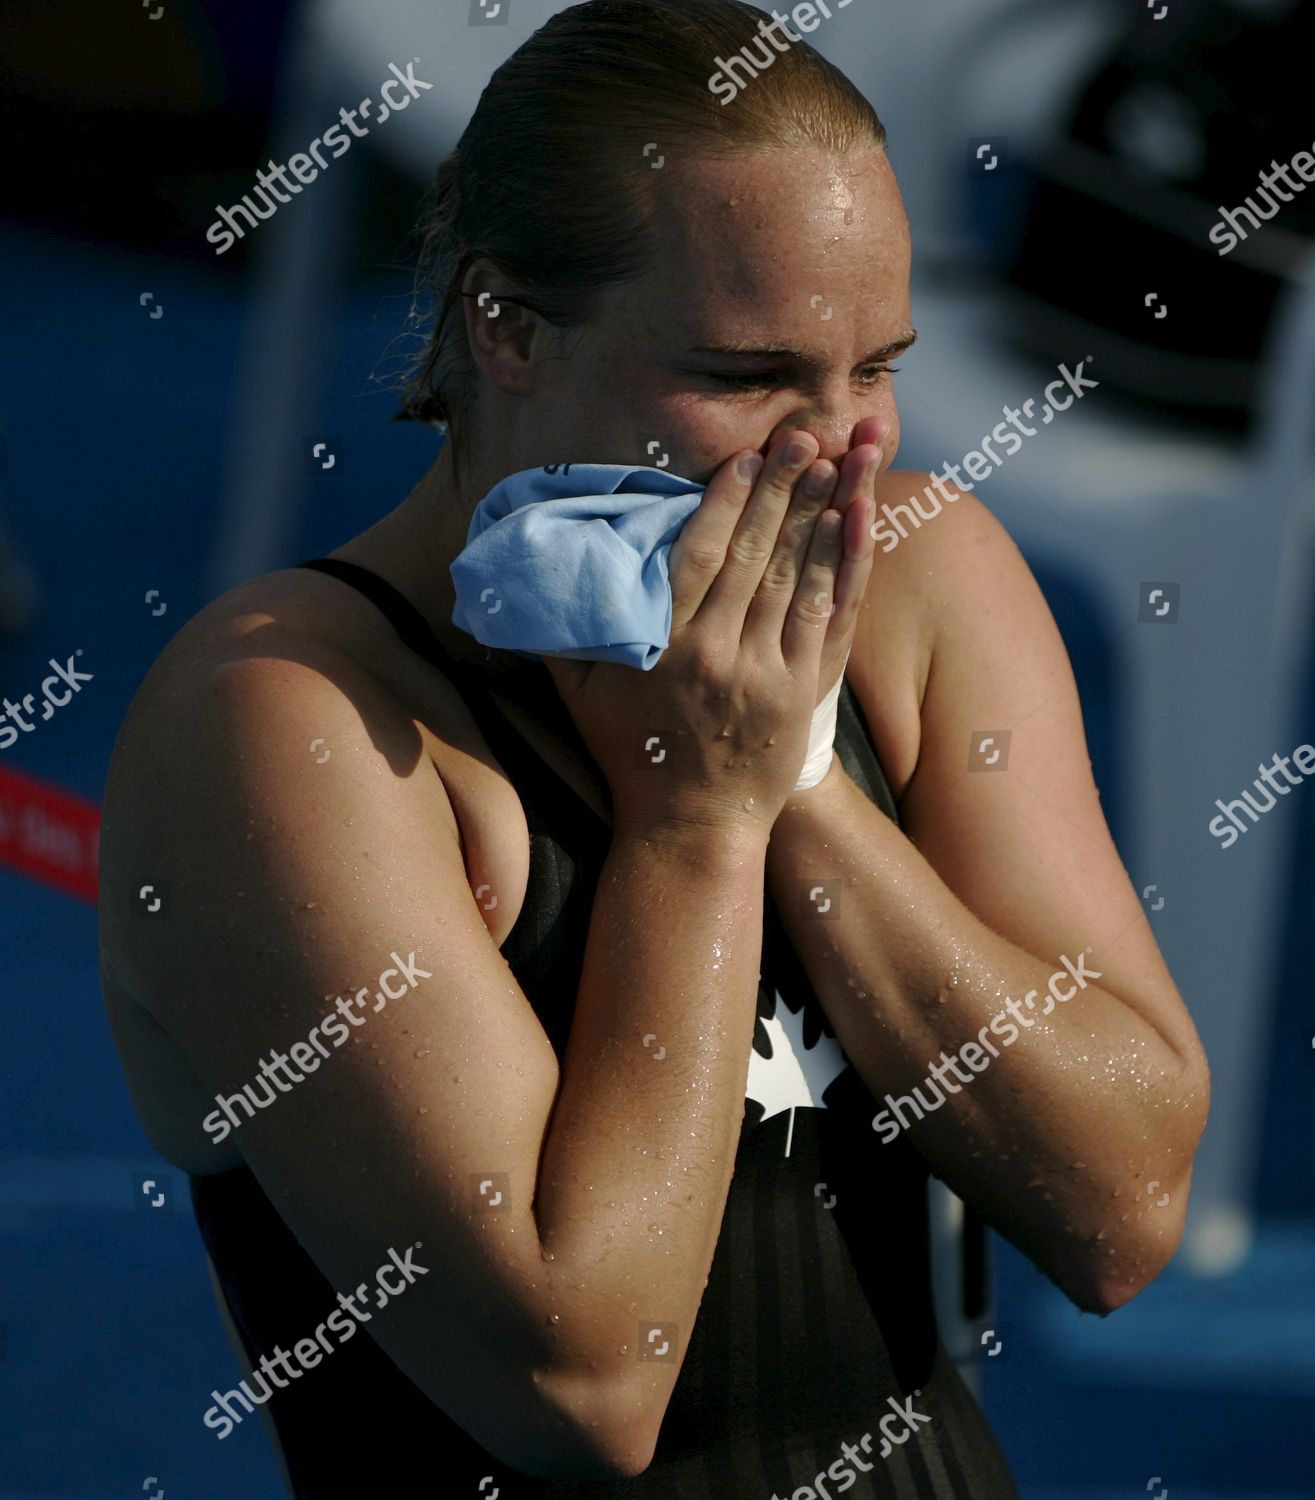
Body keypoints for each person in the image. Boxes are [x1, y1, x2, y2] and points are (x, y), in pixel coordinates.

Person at [98, 2, 1211, 1494]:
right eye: (749, 377)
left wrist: (795, 777)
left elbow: (1126, 1207)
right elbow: (580, 1384)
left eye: (878, 368)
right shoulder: (292, 723)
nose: (843, 452)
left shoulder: (923, 583)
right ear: (504, 327)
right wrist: (695, 826)